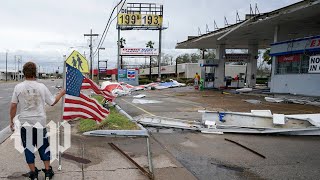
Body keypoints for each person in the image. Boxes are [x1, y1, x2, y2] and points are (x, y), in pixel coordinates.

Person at [9, 61, 65, 180]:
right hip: (40, 122)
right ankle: (48, 172)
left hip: (25, 123)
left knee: (28, 148)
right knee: (43, 146)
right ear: (35, 73)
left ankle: (33, 173)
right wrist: (61, 93)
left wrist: (11, 121)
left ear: (24, 73)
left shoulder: (18, 87)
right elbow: (52, 102)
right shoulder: (41, 87)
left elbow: (13, 106)